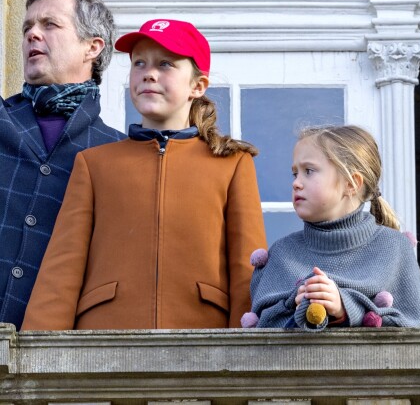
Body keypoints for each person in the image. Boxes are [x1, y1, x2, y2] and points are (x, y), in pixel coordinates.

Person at [21, 19, 267, 330]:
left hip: (204, 342)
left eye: (165, 64)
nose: (148, 73)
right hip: (102, 340)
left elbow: (246, 268)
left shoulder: (232, 163)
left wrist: (242, 354)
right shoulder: (94, 164)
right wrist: (40, 359)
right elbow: (62, 268)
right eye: (139, 63)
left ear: (198, 85)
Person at [0, 0, 125, 329]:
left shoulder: (118, 153)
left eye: (49, 25)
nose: (32, 35)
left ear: (92, 47)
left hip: (61, 359)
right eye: (27, 27)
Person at [241, 125, 420, 330]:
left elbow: (417, 330)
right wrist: (296, 306)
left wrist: (345, 308)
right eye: (295, 173)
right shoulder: (281, 254)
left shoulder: (393, 248)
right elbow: (261, 333)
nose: (296, 183)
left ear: (352, 183)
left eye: (309, 171)